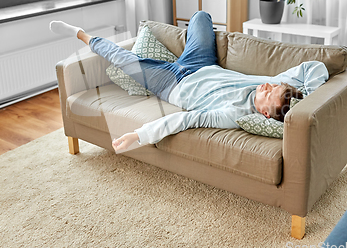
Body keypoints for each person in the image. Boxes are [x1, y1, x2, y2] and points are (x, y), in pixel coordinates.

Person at [50, 12, 329, 153]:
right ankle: (174, 50)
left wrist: (140, 135)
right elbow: (313, 66)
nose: (268, 85)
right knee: (200, 17)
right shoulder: (284, 87)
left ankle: (81, 35)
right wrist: (308, 97)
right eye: (273, 84)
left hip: (171, 83)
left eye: (269, 93)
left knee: (124, 60)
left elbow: (184, 121)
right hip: (202, 63)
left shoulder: (232, 115)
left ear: (266, 114)